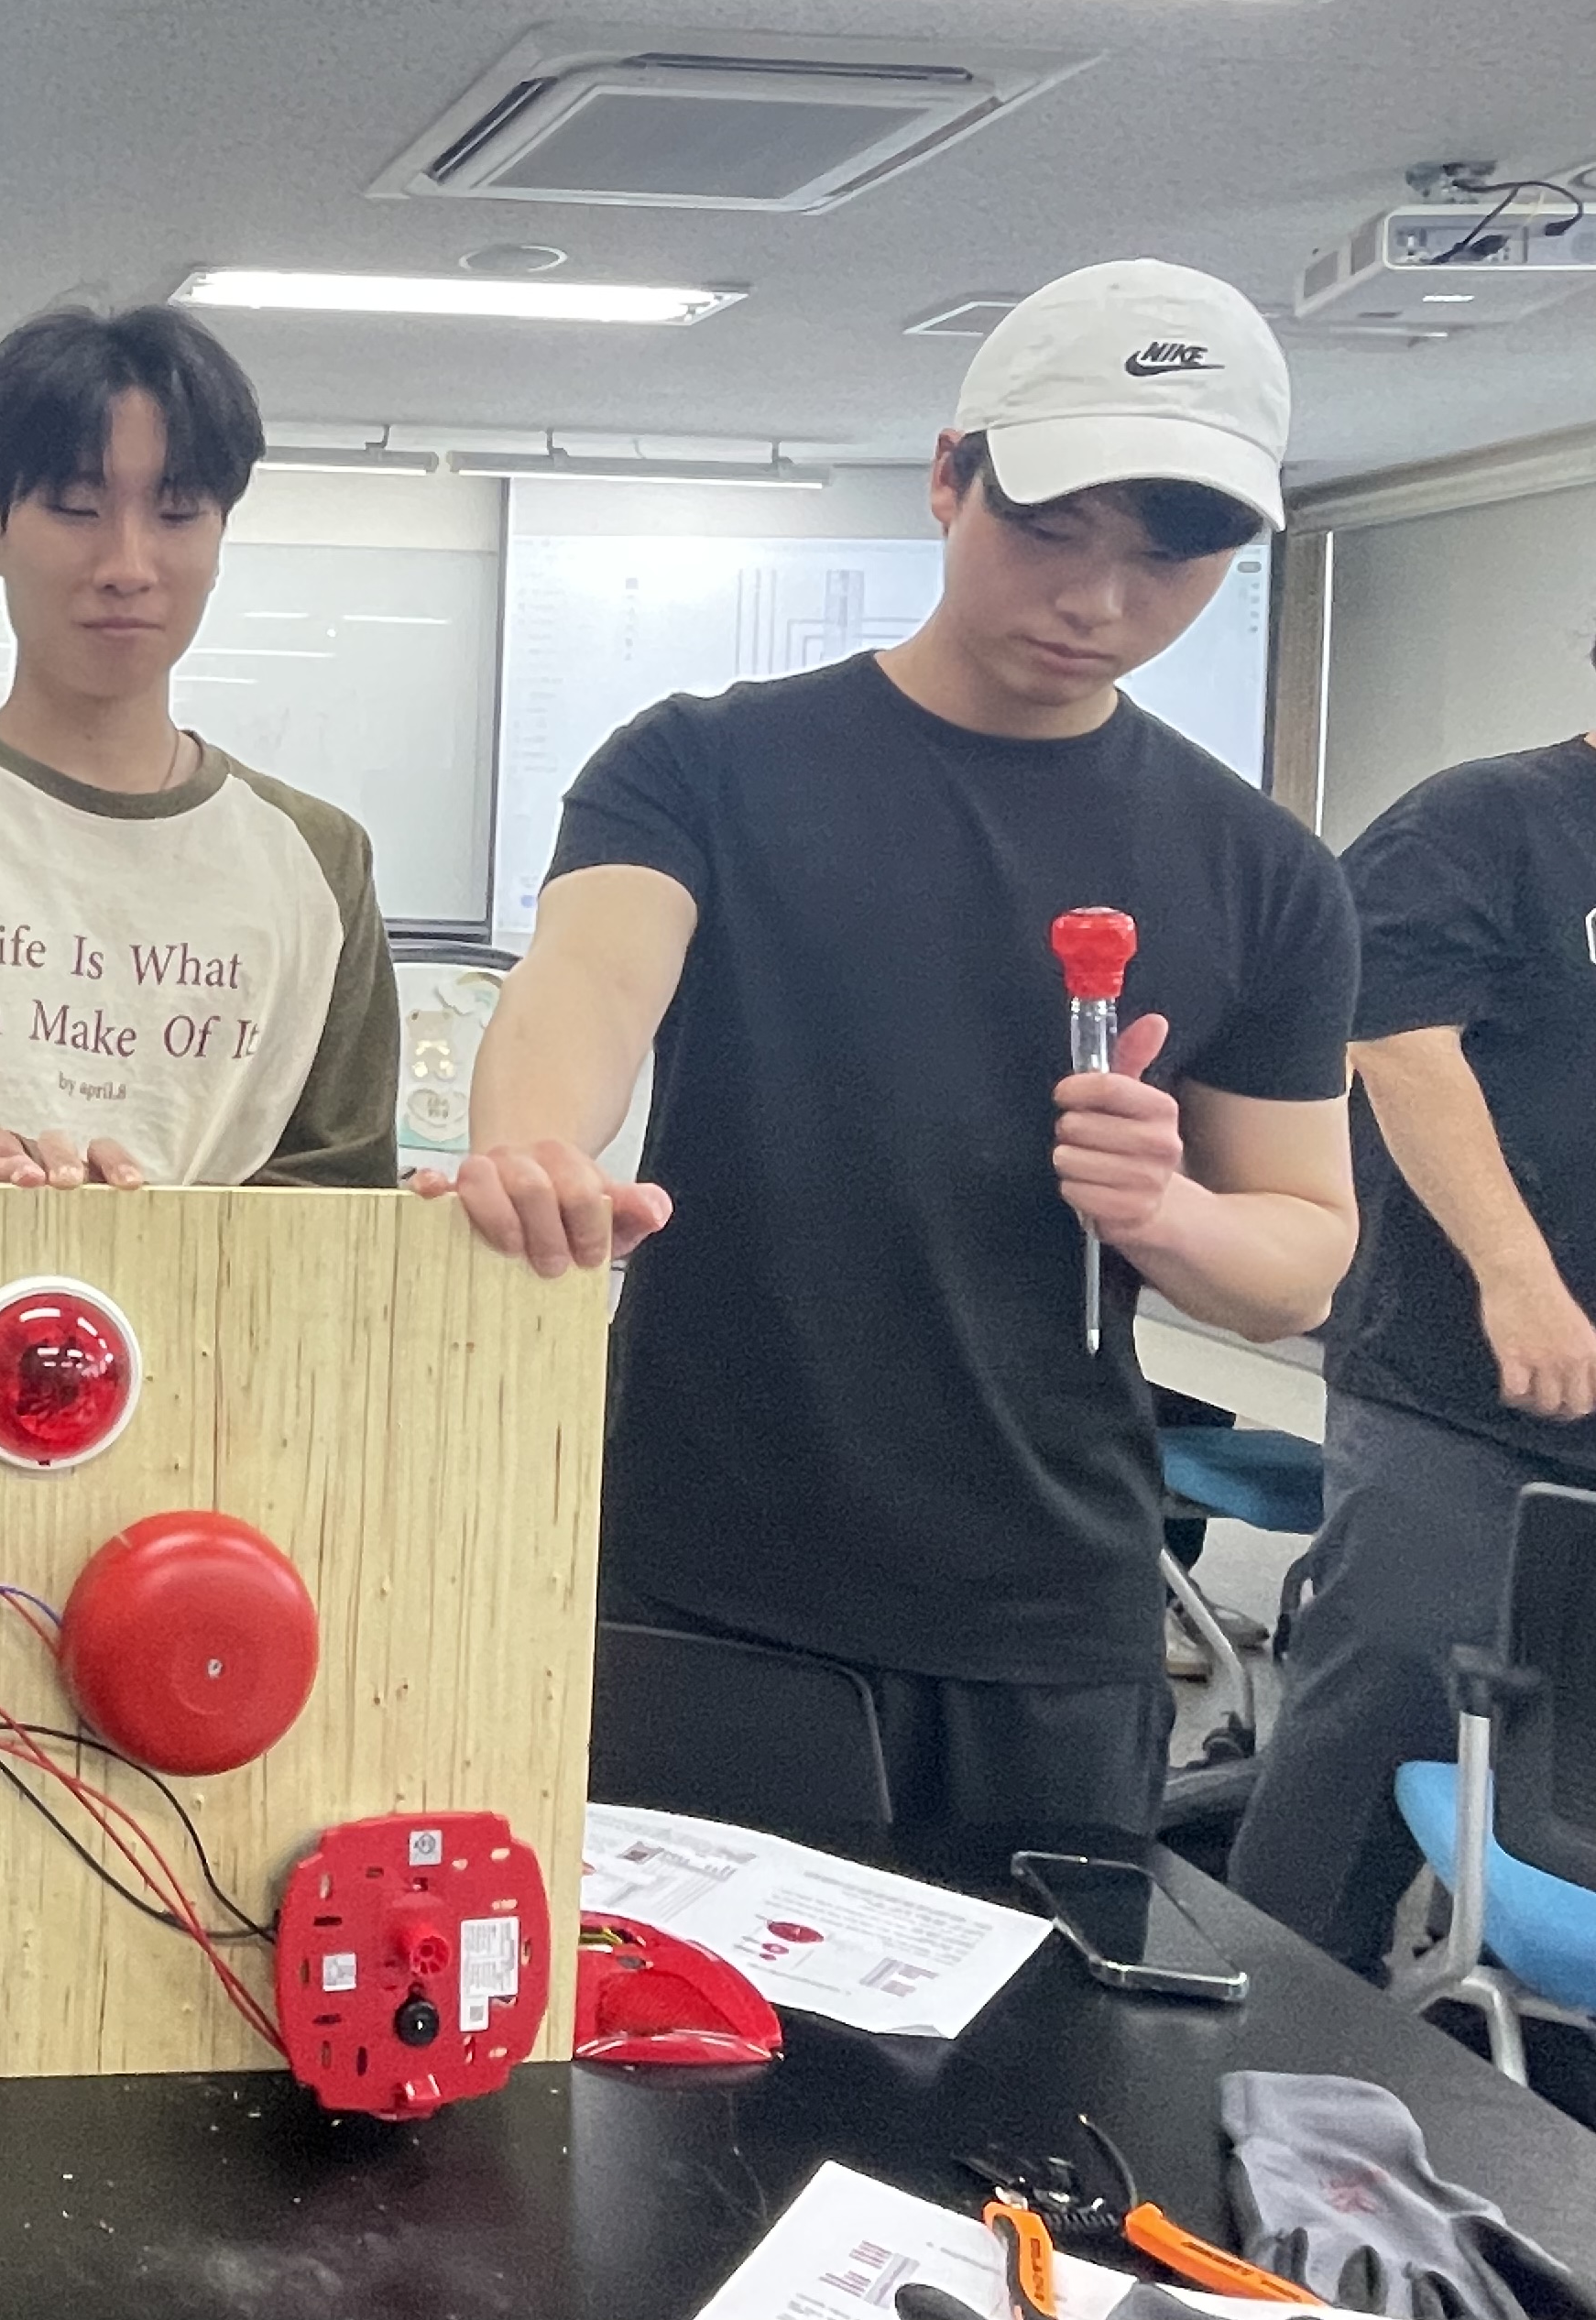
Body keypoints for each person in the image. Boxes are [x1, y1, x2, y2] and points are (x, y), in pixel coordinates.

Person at [424, 260, 1359, 1840]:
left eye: (1168, 556)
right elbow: (587, 979)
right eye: (1052, 528)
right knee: (670, 2007)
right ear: (948, 476)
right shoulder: (704, 764)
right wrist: (532, 1149)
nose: (1099, 601)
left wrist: (1170, 1212)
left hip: (1048, 1622)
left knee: (1032, 2005)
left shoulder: (1261, 870)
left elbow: (1300, 1260)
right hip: (708, 1584)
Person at [0, 302, 398, 1192]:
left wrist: (81, 1203)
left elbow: (342, 1211)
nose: (128, 565)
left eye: (177, 513)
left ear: (221, 537)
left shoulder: (321, 861)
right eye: (77, 508)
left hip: (227, 1300)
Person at [1229, 669, 1596, 1972]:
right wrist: (1520, 1275)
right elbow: (1397, 1040)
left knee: (1564, 1766)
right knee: (1389, 1697)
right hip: (1455, 1382)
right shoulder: (1487, 821)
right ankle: (1276, 1997)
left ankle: (1520, 2036)